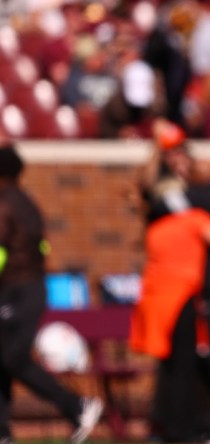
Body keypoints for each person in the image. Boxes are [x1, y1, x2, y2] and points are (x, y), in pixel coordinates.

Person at [138, 120, 210, 441]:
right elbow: (150, 190)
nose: (180, 159)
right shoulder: (184, 196)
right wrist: (157, 148)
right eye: (172, 154)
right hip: (194, 287)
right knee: (193, 360)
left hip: (209, 286)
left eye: (182, 153)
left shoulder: (197, 198)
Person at [0, 143, 103, 444]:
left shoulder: (5, 203)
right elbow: (40, 248)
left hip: (16, 293)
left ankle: (76, 406)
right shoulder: (27, 202)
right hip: (27, 290)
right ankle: (3, 432)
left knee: (12, 358)